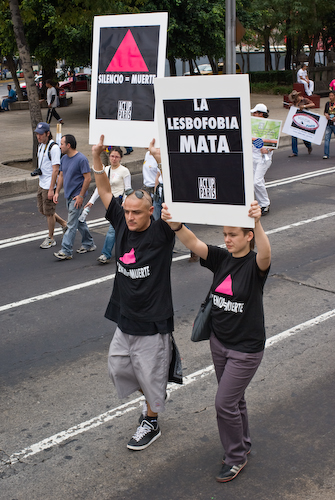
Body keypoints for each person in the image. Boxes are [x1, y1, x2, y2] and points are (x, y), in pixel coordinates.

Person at [161, 200, 271, 483]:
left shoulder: (255, 265)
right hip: (219, 343)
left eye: (233, 234)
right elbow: (194, 243)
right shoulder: (222, 258)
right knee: (235, 400)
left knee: (224, 403)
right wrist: (175, 224)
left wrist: (257, 222)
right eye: (225, 234)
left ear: (248, 236)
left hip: (246, 349)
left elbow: (266, 254)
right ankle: (243, 444)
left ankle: (235, 457)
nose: (227, 239)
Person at [92, 134, 176, 451]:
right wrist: (96, 156)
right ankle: (154, 392)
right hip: (125, 318)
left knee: (150, 376)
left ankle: (151, 420)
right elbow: (103, 190)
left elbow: (178, 197)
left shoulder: (162, 232)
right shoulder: (122, 223)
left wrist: (162, 159)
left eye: (136, 212)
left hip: (152, 322)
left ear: (150, 210)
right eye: (127, 211)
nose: (129, 216)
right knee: (119, 369)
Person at [84, 147, 132, 264]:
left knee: (112, 230)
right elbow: (100, 188)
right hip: (109, 203)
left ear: (120, 158)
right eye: (112, 156)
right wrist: (91, 201)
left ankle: (106, 254)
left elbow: (128, 189)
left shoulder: (124, 171)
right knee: (121, 229)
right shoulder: (106, 170)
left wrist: (125, 203)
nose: (114, 159)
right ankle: (129, 250)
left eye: (116, 157)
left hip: (119, 204)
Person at [53, 134, 96, 260]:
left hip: (76, 197)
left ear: (68, 145)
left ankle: (66, 250)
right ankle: (89, 244)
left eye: (61, 144)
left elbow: (88, 179)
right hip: (68, 196)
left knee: (71, 224)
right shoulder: (64, 158)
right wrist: (57, 192)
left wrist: (81, 196)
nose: (59, 146)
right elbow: (61, 175)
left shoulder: (81, 159)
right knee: (79, 221)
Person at [34, 122, 67, 248]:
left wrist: (52, 189)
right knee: (44, 210)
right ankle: (64, 224)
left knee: (49, 212)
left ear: (48, 134)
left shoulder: (53, 148)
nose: (39, 136)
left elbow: (55, 169)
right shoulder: (41, 146)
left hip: (49, 184)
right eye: (37, 134)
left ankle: (51, 237)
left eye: (41, 134)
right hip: (42, 182)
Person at [251, 103, 273, 216]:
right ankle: (261, 203)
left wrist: (268, 150)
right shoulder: (252, 125)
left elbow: (274, 143)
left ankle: (265, 203)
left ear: (261, 114)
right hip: (253, 157)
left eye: (255, 112)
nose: (253, 114)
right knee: (256, 181)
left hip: (264, 158)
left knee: (257, 181)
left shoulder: (271, 126)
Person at [287, 90, 315, 157]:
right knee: (293, 136)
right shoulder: (294, 102)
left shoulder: (304, 100)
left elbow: (313, 104)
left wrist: (304, 106)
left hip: (304, 120)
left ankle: (308, 146)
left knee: (304, 137)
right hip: (296, 120)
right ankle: (294, 152)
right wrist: (290, 106)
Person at [323, 91, 335, 159]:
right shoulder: (327, 104)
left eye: (332, 96)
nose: (330, 97)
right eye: (330, 96)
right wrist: (326, 114)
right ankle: (326, 154)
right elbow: (325, 111)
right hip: (328, 124)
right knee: (327, 139)